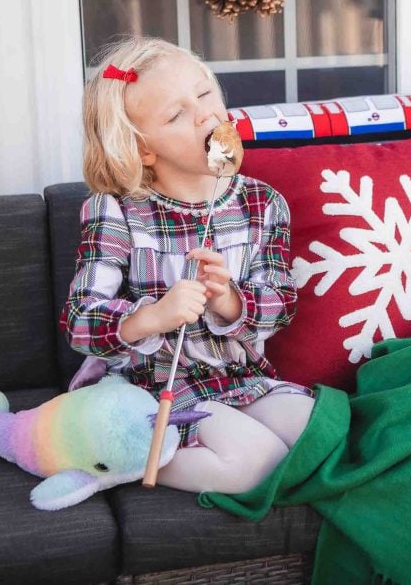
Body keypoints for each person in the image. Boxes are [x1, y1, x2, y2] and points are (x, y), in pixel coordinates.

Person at [62, 36, 314, 495]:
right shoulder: (117, 210)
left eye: (204, 94)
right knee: (255, 463)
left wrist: (230, 300)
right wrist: (151, 316)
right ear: (143, 151)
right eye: (176, 114)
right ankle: (109, 455)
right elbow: (80, 323)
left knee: (318, 434)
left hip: (240, 378)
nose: (204, 114)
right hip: (149, 388)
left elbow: (282, 302)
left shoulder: (262, 203)